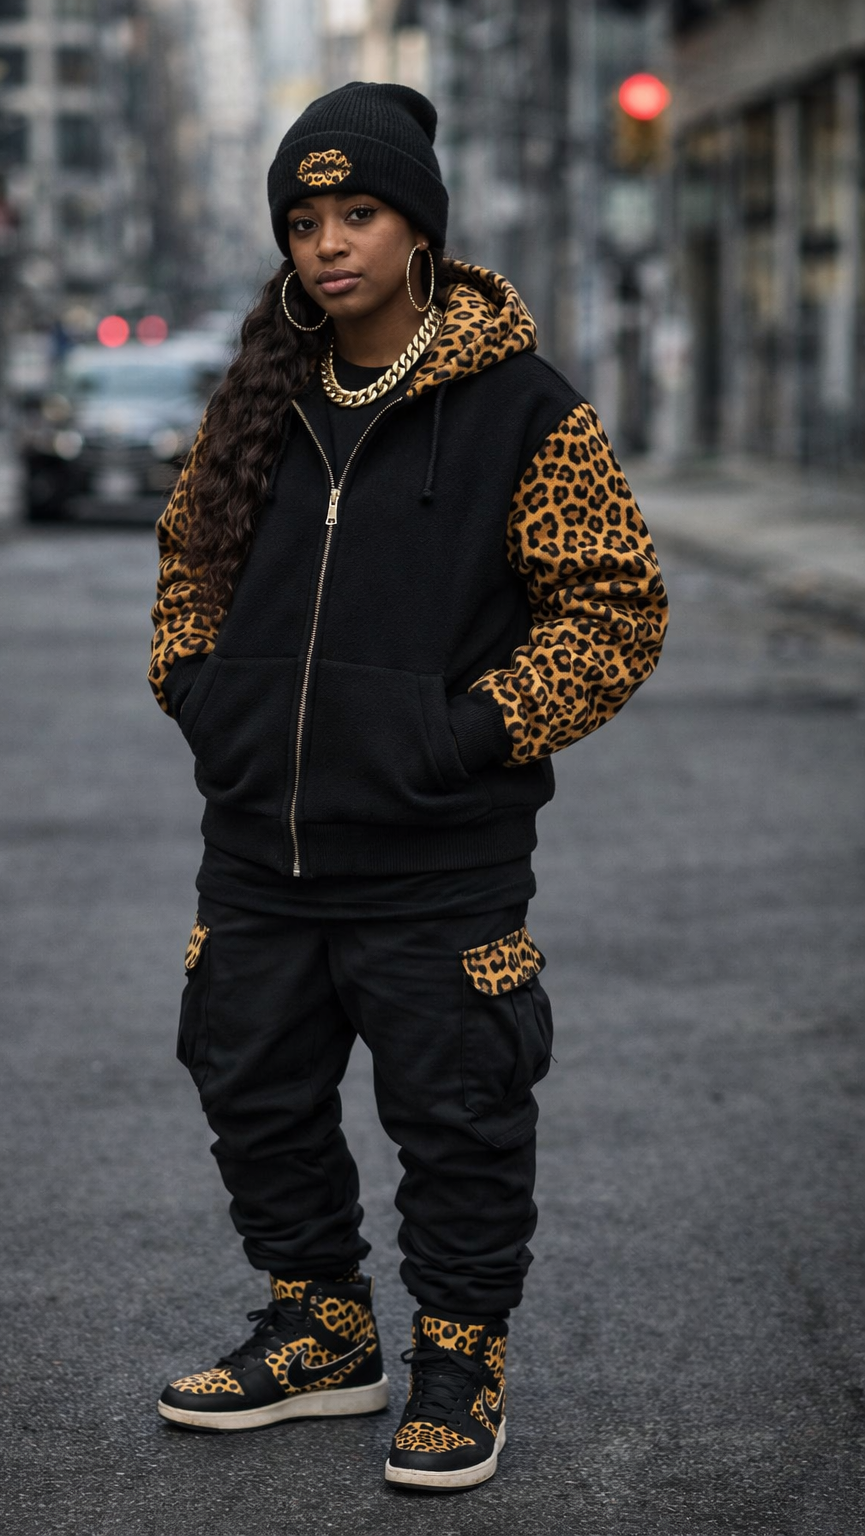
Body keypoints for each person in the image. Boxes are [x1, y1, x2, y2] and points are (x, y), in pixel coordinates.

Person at [148, 81, 668, 1491]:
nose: (328, 244)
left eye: (358, 212)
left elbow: (615, 610)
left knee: (458, 1112)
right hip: (259, 847)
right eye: (304, 220)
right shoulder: (259, 401)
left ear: (420, 228)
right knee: (250, 1085)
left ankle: (458, 1359)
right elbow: (189, 563)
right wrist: (202, 694)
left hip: (439, 856)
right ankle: (322, 1332)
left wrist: (461, 736)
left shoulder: (525, 411)